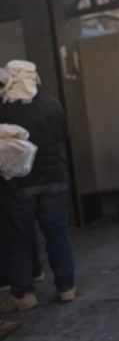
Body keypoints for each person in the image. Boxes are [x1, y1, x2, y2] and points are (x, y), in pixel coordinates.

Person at [0, 60, 76, 312]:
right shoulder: (52, 103)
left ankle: (24, 295)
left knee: (19, 238)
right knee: (57, 233)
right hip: (55, 178)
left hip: (20, 184)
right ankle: (66, 288)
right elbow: (64, 134)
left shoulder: (5, 109)